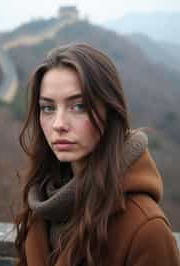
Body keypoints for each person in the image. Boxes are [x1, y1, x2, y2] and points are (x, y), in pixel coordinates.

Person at [14, 42, 180, 266]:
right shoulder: (41, 203)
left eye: (78, 106)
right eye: (48, 108)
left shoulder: (145, 229)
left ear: (110, 112)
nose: (58, 124)